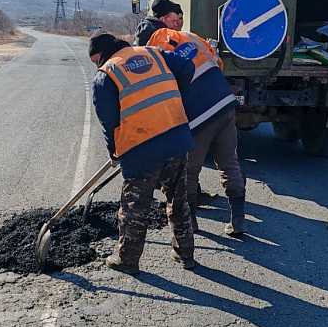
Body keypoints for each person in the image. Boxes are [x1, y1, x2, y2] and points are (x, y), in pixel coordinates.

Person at [88, 30, 196, 273]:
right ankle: (185, 254)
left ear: (103, 54)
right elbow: (187, 67)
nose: (96, 65)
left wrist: (114, 152)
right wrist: (175, 101)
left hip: (140, 146)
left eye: (95, 60)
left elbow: (109, 123)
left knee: (134, 205)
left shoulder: (106, 75)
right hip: (175, 135)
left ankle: (127, 259)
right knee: (178, 199)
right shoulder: (153, 53)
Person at [146, 25, 246, 236]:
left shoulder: (159, 48)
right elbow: (218, 63)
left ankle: (191, 220)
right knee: (229, 162)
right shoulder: (193, 37)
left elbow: (163, 87)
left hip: (198, 116)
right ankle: (238, 221)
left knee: (189, 170)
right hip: (225, 103)